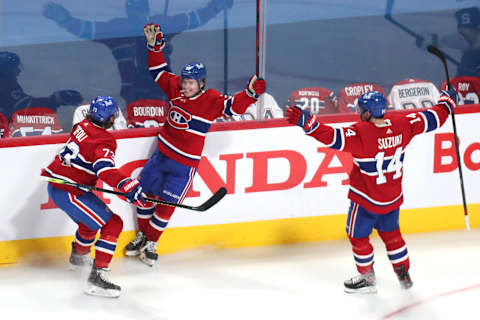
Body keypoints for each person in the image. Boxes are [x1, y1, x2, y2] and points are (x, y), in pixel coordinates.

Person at [285, 89, 457, 293]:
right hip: (392, 198)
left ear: (367, 113)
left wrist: (309, 124)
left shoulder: (361, 133)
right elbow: (434, 118)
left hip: (366, 201)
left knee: (357, 236)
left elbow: (331, 137)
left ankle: (367, 278)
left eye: (362, 110)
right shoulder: (404, 124)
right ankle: (403, 274)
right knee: (393, 235)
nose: (360, 112)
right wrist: (447, 102)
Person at [124, 23, 265, 266]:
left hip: (183, 166)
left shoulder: (211, 100)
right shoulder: (175, 89)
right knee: (144, 198)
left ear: (202, 83)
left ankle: (152, 242)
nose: (185, 86)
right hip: (160, 157)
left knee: (166, 208)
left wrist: (250, 95)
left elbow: (234, 107)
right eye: (184, 81)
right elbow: (157, 71)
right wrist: (154, 47)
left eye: (191, 82)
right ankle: (143, 236)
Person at [41, 96, 148, 298]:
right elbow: (104, 171)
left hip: (60, 187)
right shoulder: (105, 139)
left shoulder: (81, 124)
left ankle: (78, 258)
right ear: (109, 118)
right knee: (114, 224)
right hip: (69, 191)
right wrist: (128, 185)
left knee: (90, 223)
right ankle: (97, 278)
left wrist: (126, 189)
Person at [43, 0, 234, 104]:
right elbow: (85, 28)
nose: (137, 15)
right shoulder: (119, 30)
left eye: (141, 9)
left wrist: (216, 6)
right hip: (134, 95)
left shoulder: (160, 25)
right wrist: (63, 18)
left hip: (163, 94)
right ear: (128, 11)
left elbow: (194, 19)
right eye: (134, 9)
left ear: (147, 9)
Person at [0, 51, 82, 120]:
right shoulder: (5, 85)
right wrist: (54, 100)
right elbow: (24, 106)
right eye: (15, 68)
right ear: (6, 70)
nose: (18, 71)